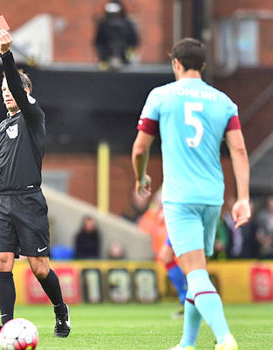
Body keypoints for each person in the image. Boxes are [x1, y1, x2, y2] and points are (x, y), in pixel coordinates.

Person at [132, 38, 250, 350]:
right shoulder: (223, 101)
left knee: (195, 273)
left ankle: (225, 338)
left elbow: (140, 147)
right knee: (196, 269)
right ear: (203, 66)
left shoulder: (161, 96)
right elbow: (238, 149)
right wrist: (243, 197)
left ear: (175, 64)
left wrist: (140, 174)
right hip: (212, 196)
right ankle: (187, 343)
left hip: (180, 198)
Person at [0, 29, 70, 339]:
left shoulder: (33, 117)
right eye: (4, 88)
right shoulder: (3, 126)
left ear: (26, 93)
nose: (7, 92)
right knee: (2, 261)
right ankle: (6, 326)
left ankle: (60, 310)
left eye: (12, 88)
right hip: (2, 200)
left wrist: (6, 54)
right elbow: (11, 163)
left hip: (29, 201)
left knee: (39, 267)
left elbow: (20, 93)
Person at [94, 1, 139, 70]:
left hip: (125, 62)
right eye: (111, 15)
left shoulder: (127, 24)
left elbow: (134, 41)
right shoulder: (103, 25)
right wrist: (103, 57)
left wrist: (128, 55)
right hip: (106, 62)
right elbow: (99, 42)